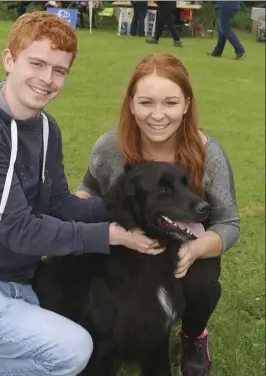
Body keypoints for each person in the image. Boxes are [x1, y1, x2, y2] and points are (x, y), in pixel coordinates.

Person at [0, 12, 161, 376]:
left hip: (17, 280)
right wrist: (111, 235)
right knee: (73, 350)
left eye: (59, 70)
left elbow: (59, 204)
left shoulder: (46, 127)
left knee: (86, 325)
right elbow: (18, 229)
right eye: (37, 63)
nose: (47, 80)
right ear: (9, 60)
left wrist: (121, 209)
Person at [75, 52, 240, 376]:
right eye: (147, 102)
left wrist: (194, 249)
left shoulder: (208, 153)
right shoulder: (110, 147)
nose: (158, 115)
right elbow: (88, 189)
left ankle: (194, 336)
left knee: (199, 285)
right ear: (132, 104)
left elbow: (228, 222)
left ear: (187, 104)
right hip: (131, 236)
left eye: (170, 103)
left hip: (187, 238)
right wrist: (76, 226)